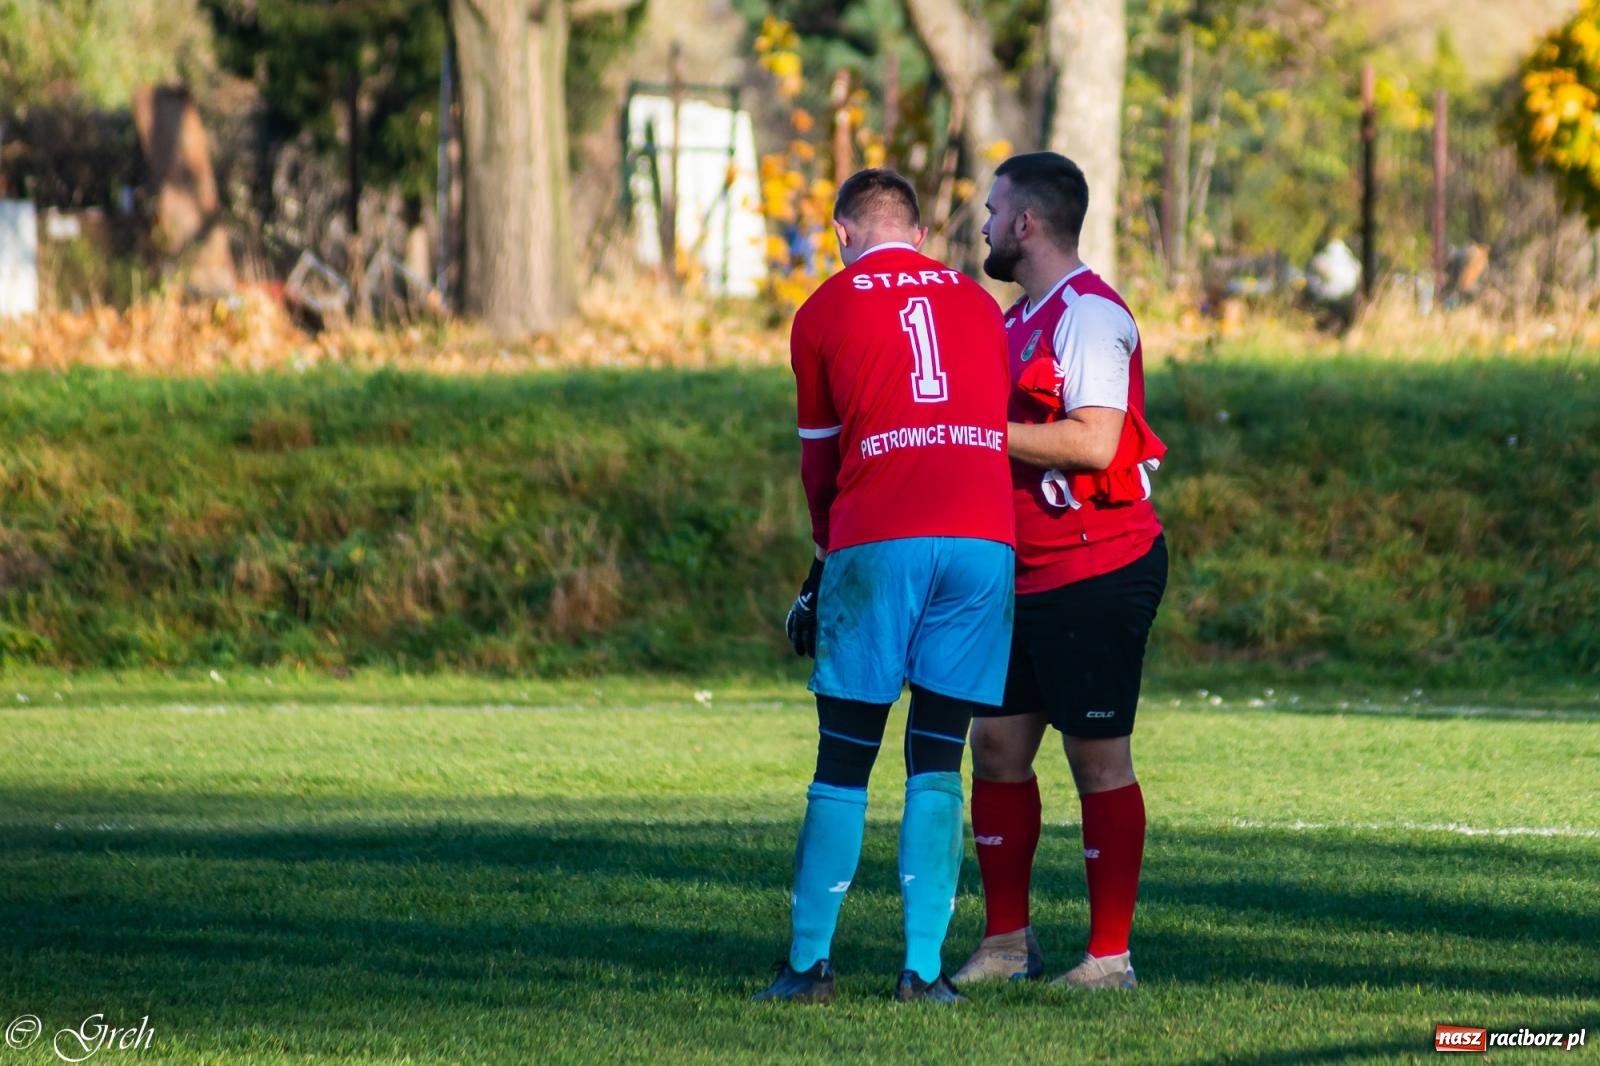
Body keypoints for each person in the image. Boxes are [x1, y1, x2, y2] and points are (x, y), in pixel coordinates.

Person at [753, 168, 1015, 1005]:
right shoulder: (979, 304)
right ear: (920, 232)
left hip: (880, 536)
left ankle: (809, 966)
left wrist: (824, 558)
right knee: (938, 757)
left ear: (842, 233)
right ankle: (925, 972)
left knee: (845, 759)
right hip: (982, 541)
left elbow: (818, 461)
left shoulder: (824, 308)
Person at [951, 152, 1168, 991]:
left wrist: (978, 430)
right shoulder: (1016, 321)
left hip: (1097, 568)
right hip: (1023, 572)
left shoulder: (1088, 314)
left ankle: (1108, 958)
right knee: (998, 746)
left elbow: (1094, 442)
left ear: (1027, 224)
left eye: (994, 210)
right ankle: (1007, 945)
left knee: (1095, 760)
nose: (985, 225)